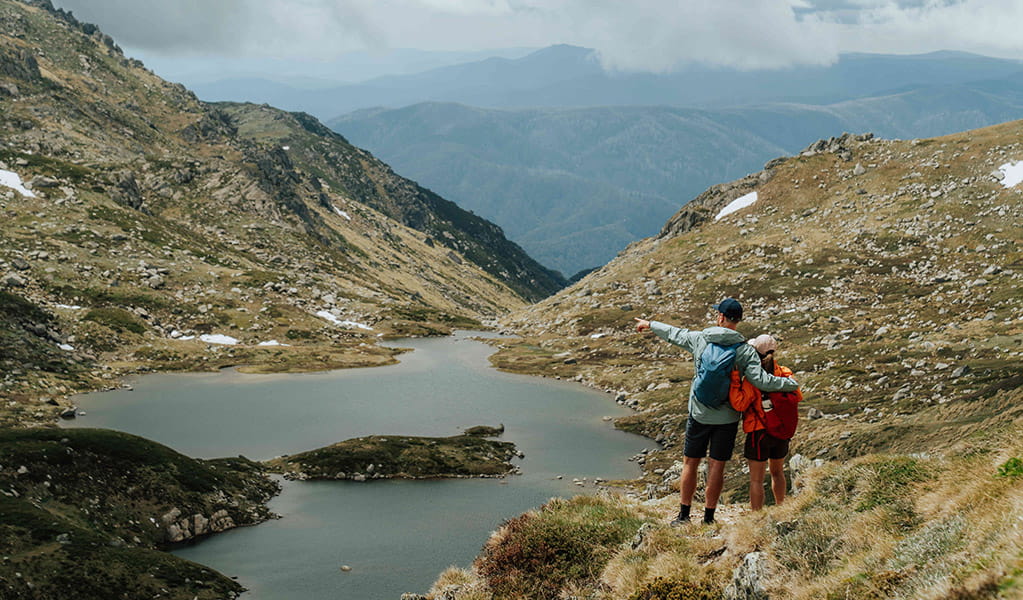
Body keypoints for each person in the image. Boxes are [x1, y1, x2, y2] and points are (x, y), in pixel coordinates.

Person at [634, 298, 799, 525]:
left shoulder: (700, 339)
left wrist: (650, 324)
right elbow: (762, 381)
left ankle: (683, 515)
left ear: (720, 317)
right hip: (727, 418)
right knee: (716, 465)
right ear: (738, 321)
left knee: (690, 463)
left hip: (699, 413)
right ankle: (709, 517)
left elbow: (674, 333)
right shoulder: (743, 350)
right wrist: (790, 384)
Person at [729, 334, 802, 511]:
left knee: (756, 479)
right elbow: (797, 396)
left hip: (758, 432)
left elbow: (739, 404)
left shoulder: (753, 379)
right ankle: (781, 507)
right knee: (777, 473)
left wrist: (735, 378)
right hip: (781, 431)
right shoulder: (785, 373)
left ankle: (756, 515)